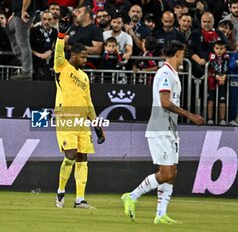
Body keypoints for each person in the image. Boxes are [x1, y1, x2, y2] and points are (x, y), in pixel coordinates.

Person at [121, 40, 204, 224]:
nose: (184, 57)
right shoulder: (165, 72)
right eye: (183, 53)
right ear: (178, 53)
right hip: (160, 127)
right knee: (165, 173)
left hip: (170, 129)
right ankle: (132, 196)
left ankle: (161, 214)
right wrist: (190, 116)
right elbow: (165, 102)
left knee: (171, 173)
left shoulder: (172, 73)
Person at [54, 20, 105, 209]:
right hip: (66, 117)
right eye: (83, 56)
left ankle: (80, 199)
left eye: (86, 57)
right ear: (73, 55)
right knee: (71, 155)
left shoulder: (84, 77)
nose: (85, 59)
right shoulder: (62, 67)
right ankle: (60, 191)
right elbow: (58, 53)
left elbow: (88, 103)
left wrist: (97, 125)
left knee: (83, 158)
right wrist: (60, 36)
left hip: (82, 121)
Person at [207, 40, 230, 125]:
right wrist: (217, 75)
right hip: (212, 81)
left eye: (221, 49)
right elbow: (214, 65)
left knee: (222, 100)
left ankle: (222, 119)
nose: (219, 51)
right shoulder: (212, 56)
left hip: (222, 80)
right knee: (210, 100)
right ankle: (210, 119)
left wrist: (224, 75)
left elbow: (226, 66)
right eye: (217, 48)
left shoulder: (226, 56)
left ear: (224, 49)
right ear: (214, 49)